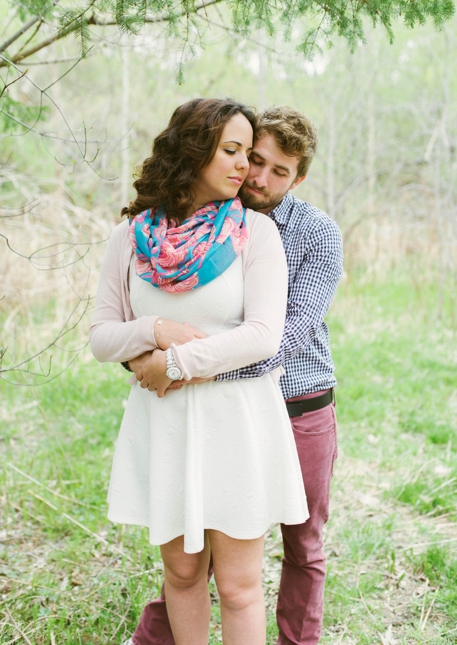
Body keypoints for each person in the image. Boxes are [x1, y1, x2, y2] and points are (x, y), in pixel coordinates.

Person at [89, 98, 309, 644]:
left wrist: (176, 362)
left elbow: (262, 335)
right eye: (231, 151)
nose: (244, 167)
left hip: (236, 422)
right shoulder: (130, 238)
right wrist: (154, 329)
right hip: (164, 424)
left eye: (247, 153)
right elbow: (101, 337)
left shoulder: (254, 236)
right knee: (182, 575)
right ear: (193, 152)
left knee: (237, 585)